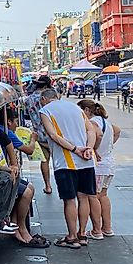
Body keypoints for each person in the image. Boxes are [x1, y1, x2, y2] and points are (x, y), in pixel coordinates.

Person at [38, 88, 97, 249]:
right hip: (86, 161)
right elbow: (91, 130)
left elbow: (53, 135)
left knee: (69, 200)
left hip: (66, 161)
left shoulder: (45, 111)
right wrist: (88, 148)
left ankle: (72, 237)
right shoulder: (75, 108)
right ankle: (82, 234)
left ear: (44, 99)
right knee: (83, 197)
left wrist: (75, 149)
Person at [0, 108, 49, 248]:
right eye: (15, 122)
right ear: (9, 121)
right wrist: (33, 139)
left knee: (29, 188)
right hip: (0, 173)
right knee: (26, 191)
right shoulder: (4, 132)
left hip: (6, 170)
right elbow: (29, 150)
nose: (16, 125)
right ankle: (21, 227)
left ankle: (15, 225)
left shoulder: (3, 131)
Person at [79, 99, 120, 238]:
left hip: (99, 166)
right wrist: (109, 147)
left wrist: (94, 148)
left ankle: (97, 230)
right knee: (103, 196)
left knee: (93, 197)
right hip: (109, 163)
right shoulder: (104, 121)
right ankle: (107, 228)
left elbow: (99, 134)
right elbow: (117, 131)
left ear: (86, 110)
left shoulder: (92, 122)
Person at [25, 75, 54, 195]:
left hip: (38, 135)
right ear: (47, 86)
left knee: (44, 161)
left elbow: (26, 118)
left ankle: (48, 186)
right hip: (53, 134)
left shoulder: (28, 99)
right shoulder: (50, 97)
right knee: (58, 161)